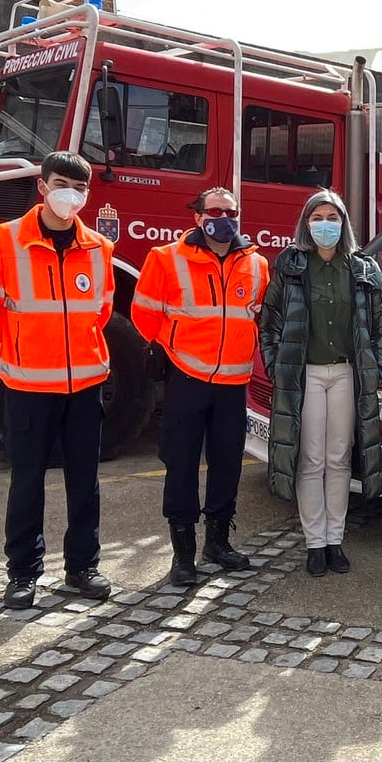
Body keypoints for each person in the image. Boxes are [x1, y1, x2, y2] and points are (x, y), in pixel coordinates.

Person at [0, 150, 115, 610]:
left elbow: (103, 310)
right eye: (61, 185)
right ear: (42, 187)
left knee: (84, 480)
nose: (70, 195)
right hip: (29, 385)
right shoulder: (3, 241)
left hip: (85, 385)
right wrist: (4, 359)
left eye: (80, 187)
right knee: (27, 479)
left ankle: (82, 567)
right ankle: (23, 573)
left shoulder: (99, 248)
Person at [131, 186, 269, 586]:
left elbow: (259, 317)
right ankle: (183, 553)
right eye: (215, 211)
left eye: (231, 211)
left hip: (233, 382)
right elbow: (143, 313)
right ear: (197, 217)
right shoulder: (166, 258)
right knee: (182, 464)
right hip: (186, 378)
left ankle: (218, 542)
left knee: (227, 464)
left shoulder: (257, 264)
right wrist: (171, 346)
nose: (223, 218)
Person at [259, 190, 382, 577]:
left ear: (344, 223)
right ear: (306, 222)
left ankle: (336, 540)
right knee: (310, 460)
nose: (325, 224)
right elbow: (269, 322)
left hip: (347, 374)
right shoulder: (291, 265)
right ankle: (315, 543)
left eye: (333, 217)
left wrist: (375, 368)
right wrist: (276, 366)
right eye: (318, 217)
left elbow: (377, 329)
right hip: (306, 374)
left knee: (339, 459)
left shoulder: (363, 268)